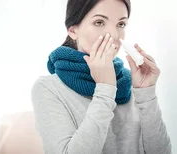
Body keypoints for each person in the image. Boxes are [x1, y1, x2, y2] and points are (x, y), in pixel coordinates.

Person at [31, 0, 172, 153]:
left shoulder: (131, 83)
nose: (114, 35)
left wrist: (147, 94)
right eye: (99, 22)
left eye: (121, 24)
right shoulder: (48, 88)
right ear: (73, 30)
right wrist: (105, 89)